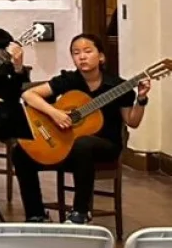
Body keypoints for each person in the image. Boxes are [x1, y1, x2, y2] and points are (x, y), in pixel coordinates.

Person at [13, 32, 147, 224]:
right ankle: (36, 214)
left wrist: (141, 99)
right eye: (76, 53)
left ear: (101, 56)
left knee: (83, 144)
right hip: (67, 147)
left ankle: (81, 212)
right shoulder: (69, 80)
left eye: (87, 51)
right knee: (21, 152)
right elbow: (29, 95)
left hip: (104, 146)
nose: (82, 56)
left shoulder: (118, 85)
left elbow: (132, 121)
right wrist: (55, 113)